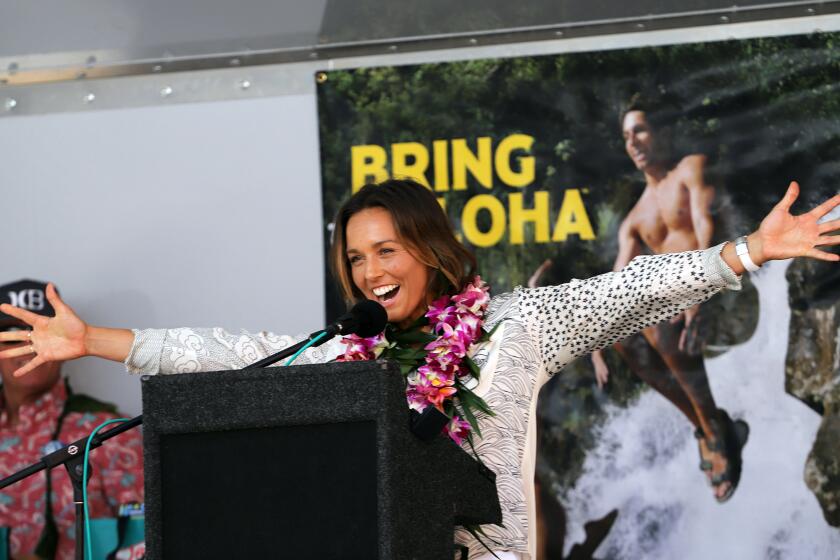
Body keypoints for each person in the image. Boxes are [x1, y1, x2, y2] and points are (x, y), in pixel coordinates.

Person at [1, 179, 838, 560]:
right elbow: (228, 351)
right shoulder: (345, 354)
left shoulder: (515, 324)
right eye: (355, 258)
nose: (369, 272)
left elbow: (629, 292)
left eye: (386, 250)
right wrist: (95, 341)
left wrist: (746, 251)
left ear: (428, 251)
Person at [0, 279, 144, 560]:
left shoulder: (109, 432)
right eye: (11, 334)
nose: (27, 345)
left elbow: (149, 536)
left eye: (40, 333)